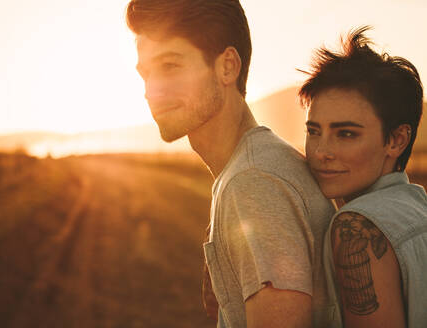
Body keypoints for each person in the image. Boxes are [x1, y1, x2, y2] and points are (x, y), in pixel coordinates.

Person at [126, 1, 336, 327]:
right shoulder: (255, 165)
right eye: (146, 74)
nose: (151, 91)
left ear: (227, 67)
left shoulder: (253, 182)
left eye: (170, 66)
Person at [299, 26, 427, 328]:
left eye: (346, 134)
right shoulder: (419, 207)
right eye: (313, 131)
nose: (321, 152)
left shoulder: (356, 226)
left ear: (396, 140)